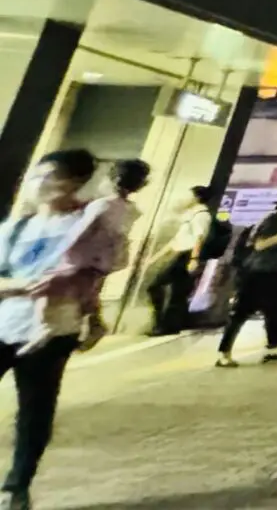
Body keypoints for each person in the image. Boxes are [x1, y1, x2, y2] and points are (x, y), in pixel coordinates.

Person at [0, 150, 115, 509]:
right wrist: (21, 287)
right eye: (38, 176)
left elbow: (88, 279)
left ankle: (16, 487)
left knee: (35, 412)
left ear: (76, 183)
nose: (41, 184)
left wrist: (94, 316)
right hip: (3, 323)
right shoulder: (14, 228)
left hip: (54, 331)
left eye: (52, 176)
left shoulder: (86, 226)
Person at [217, 189, 277, 367]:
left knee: (276, 313)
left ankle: (273, 349)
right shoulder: (274, 219)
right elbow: (260, 245)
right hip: (260, 272)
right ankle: (224, 353)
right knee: (242, 311)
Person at [145, 187, 218, 335]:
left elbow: (199, 238)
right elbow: (177, 240)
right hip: (181, 254)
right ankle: (167, 325)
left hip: (187, 256)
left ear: (197, 198)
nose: (185, 199)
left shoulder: (201, 215)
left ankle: (165, 325)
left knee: (164, 289)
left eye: (188, 195)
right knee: (175, 291)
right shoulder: (191, 215)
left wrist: (194, 259)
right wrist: (155, 257)